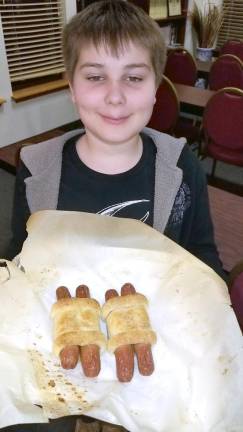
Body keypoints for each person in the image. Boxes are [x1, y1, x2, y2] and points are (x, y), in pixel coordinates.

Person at [4, 0, 225, 430]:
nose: (115, 95)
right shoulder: (36, 171)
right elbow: (21, 259)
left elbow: (203, 261)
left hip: (157, 361)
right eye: (94, 76)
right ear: (71, 86)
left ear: (156, 86)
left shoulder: (180, 170)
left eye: (134, 77)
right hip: (62, 359)